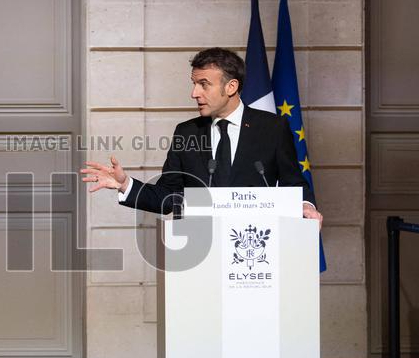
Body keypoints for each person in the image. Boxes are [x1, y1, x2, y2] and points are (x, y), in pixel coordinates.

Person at [81, 48, 323, 227]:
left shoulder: (272, 128)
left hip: (257, 247)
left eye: (203, 84)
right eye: (194, 84)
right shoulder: (186, 133)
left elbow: (294, 184)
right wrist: (125, 184)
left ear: (230, 87)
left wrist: (305, 206)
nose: (194, 93)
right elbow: (168, 197)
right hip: (198, 252)